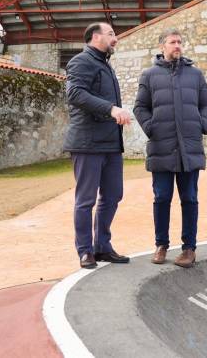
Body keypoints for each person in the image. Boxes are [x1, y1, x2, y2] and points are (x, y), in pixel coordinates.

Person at [133, 28, 207, 268]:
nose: (177, 45)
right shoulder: (149, 75)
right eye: (172, 42)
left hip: (189, 147)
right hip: (161, 146)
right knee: (161, 198)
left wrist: (202, 124)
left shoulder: (196, 75)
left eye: (179, 42)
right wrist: (151, 127)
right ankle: (161, 245)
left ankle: (189, 249)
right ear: (162, 47)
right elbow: (140, 107)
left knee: (189, 198)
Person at [64, 22, 133, 269]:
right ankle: (85, 251)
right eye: (111, 34)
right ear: (95, 37)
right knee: (86, 200)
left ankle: (102, 246)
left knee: (113, 195)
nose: (116, 38)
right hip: (87, 142)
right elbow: (75, 94)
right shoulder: (81, 61)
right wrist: (112, 109)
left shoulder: (105, 65)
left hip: (111, 144)